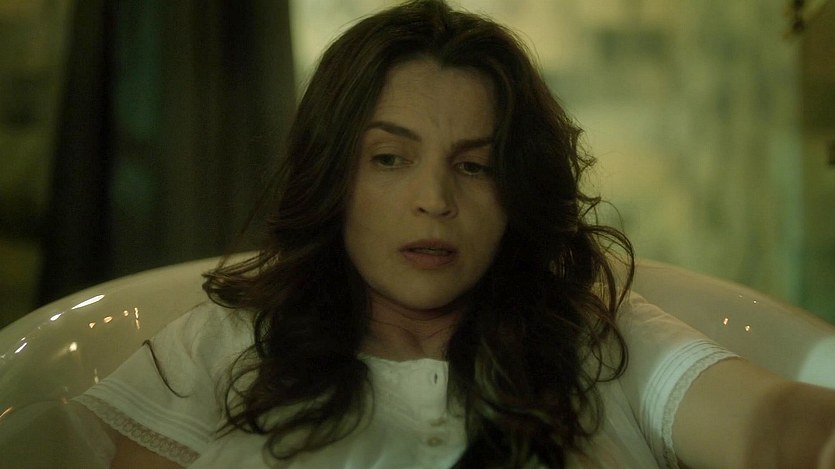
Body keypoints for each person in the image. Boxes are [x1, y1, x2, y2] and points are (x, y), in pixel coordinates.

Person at [73, 1, 835, 467]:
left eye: (473, 166)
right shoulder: (225, 343)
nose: (433, 200)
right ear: (334, 174)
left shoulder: (593, 333)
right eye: (390, 158)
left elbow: (769, 427)